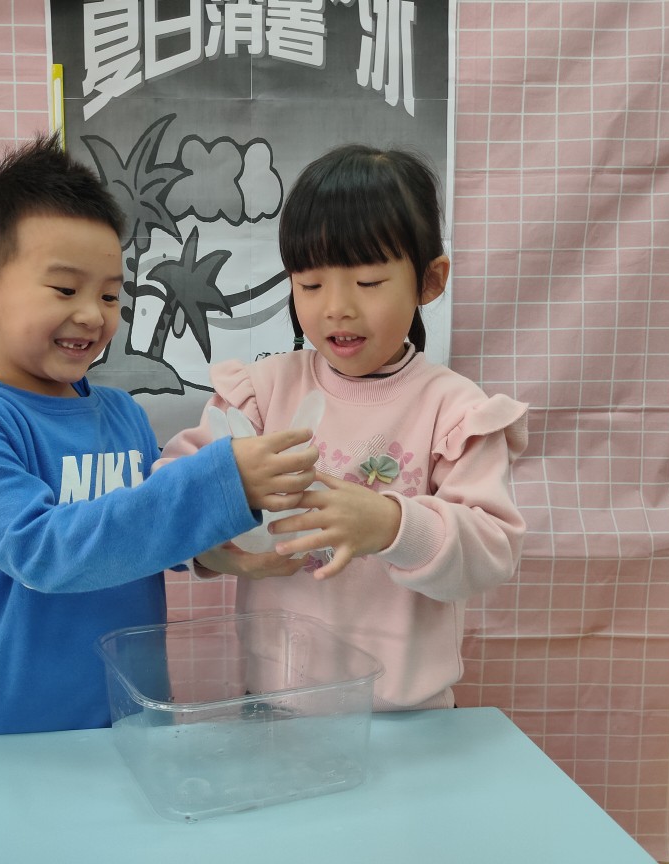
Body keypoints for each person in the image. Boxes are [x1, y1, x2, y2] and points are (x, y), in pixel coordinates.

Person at [0, 133, 317, 737]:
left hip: (136, 722)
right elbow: (43, 552)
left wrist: (217, 552)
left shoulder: (122, 413)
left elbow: (143, 534)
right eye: (65, 289)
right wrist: (219, 481)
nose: (93, 314)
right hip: (16, 735)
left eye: (110, 293)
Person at [160, 144, 528, 711]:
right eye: (311, 285)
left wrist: (391, 525)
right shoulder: (259, 394)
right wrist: (215, 552)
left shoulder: (454, 411)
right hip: (273, 707)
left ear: (429, 281)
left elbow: (491, 551)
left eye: (369, 281)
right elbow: (165, 500)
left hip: (406, 720)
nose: (336, 307)